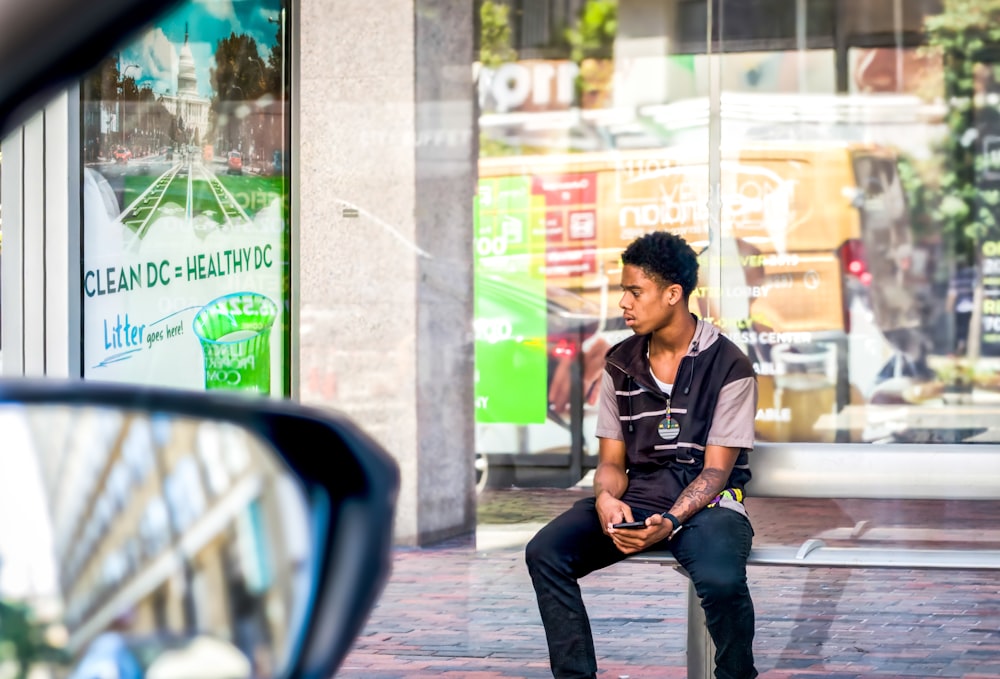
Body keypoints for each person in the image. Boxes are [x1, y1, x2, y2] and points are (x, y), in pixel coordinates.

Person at [525, 231, 759, 679]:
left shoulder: (730, 365)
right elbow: (611, 462)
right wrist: (605, 501)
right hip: (641, 498)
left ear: (673, 294)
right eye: (623, 292)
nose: (623, 304)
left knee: (723, 582)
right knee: (545, 553)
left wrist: (669, 523)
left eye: (635, 292)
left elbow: (715, 472)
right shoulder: (619, 364)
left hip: (710, 505)